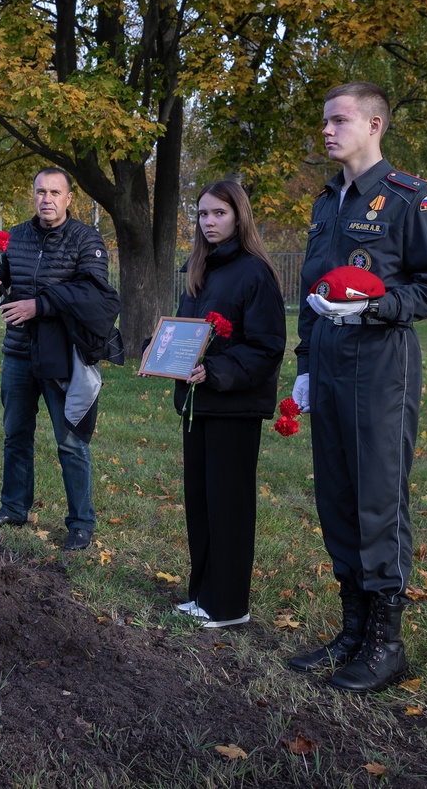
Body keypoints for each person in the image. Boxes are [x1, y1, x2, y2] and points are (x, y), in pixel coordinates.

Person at [287, 81, 427, 693]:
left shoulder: (409, 199)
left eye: (340, 120)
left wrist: (376, 306)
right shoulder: (327, 202)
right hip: (328, 369)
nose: (327, 131)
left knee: (378, 500)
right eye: (325, 122)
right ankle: (352, 629)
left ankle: (386, 643)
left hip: (381, 371)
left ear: (376, 124)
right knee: (336, 498)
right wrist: (304, 364)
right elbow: (312, 290)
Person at [0, 168, 123, 552]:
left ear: (69, 198)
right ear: (33, 194)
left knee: (71, 441)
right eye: (41, 191)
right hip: (18, 354)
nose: (47, 199)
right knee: (15, 435)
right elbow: (5, 277)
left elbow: (95, 296)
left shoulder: (85, 239)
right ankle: (13, 507)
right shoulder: (19, 236)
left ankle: (80, 523)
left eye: (55, 192)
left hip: (62, 357)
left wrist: (39, 305)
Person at [164, 181, 285, 630]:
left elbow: (267, 346)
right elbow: (186, 333)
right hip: (198, 404)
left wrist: (216, 373)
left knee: (229, 504)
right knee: (201, 501)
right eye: (202, 215)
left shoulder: (256, 272)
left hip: (233, 406)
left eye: (219, 214)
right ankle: (204, 594)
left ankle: (230, 604)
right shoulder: (199, 269)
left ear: (239, 216)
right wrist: (156, 351)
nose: (209, 222)